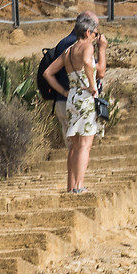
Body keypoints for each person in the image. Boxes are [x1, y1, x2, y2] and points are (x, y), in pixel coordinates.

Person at [43, 12, 106, 193]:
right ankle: (79, 186)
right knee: (85, 145)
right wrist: (93, 86)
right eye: (95, 33)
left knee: (75, 146)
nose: (95, 37)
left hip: (72, 98)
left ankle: (73, 187)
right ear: (87, 32)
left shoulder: (68, 51)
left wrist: (63, 91)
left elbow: (48, 73)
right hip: (85, 98)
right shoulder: (87, 47)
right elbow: (88, 62)